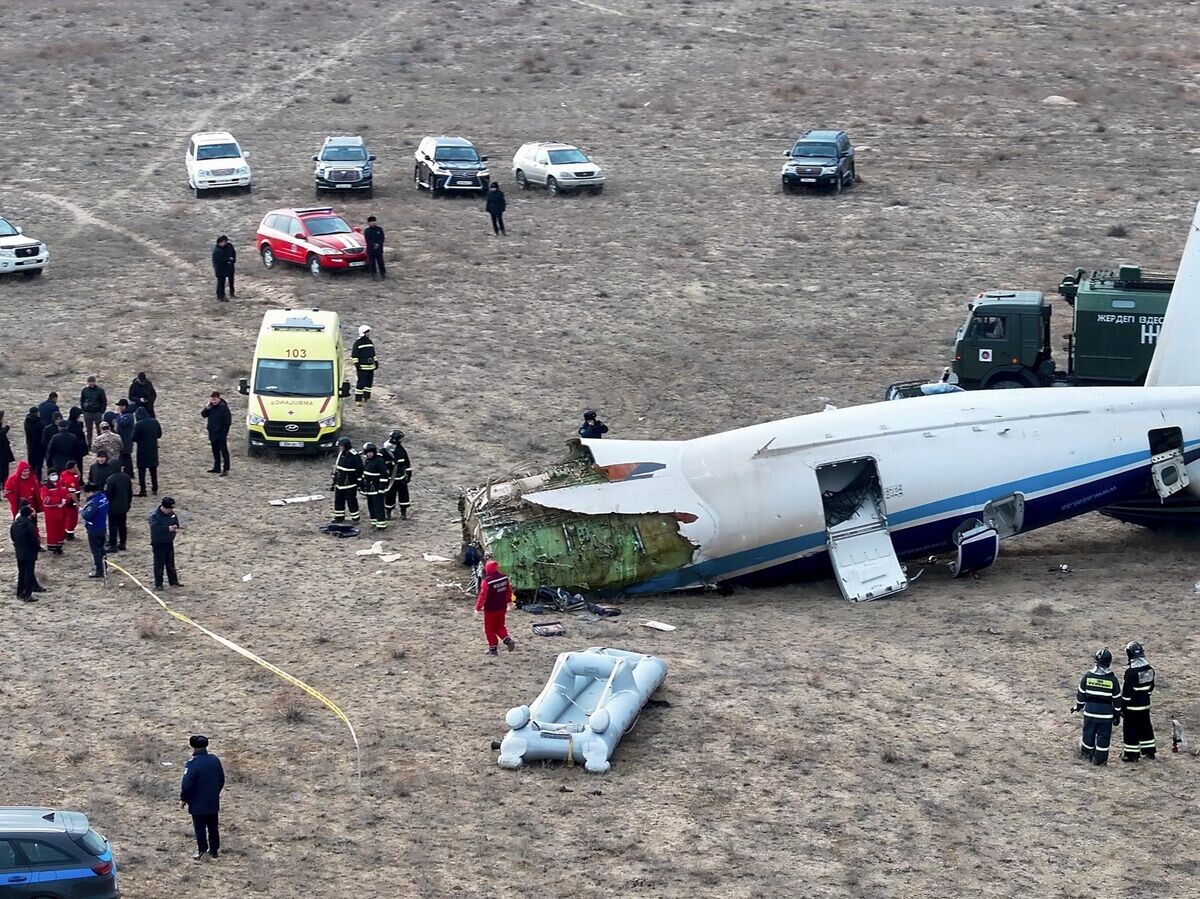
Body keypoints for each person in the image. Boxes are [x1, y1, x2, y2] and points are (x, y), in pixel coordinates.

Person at [1074, 647, 1123, 765]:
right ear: (1109, 662)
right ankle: (1100, 761)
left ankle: (1086, 756)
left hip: (1090, 712)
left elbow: (1081, 695)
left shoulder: (1088, 676)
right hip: (1106, 715)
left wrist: (1078, 707)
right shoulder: (1113, 680)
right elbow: (1117, 700)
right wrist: (1117, 715)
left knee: (1088, 735)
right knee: (1103, 738)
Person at [180, 734, 225, 861]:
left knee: (200, 828)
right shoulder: (214, 760)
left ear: (193, 747)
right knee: (213, 826)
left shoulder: (192, 764)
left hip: (197, 802)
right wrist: (215, 792)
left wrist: (184, 798)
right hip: (212, 800)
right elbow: (221, 779)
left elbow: (187, 784)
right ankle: (214, 850)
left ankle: (202, 851)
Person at [1121, 641, 1157, 762]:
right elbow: (1151, 687)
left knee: (1130, 730)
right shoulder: (1150, 669)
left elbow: (1127, 693)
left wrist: (1122, 707)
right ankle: (1149, 751)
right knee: (1146, 727)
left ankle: (1131, 755)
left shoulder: (1131, 673)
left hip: (1132, 708)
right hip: (1145, 705)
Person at [475, 559, 516, 655]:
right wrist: (509, 602)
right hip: (502, 607)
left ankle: (493, 648)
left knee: (489, 628)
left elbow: (482, 595)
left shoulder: (487, 581)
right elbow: (508, 591)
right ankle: (507, 640)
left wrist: (478, 607)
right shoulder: (504, 578)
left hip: (490, 609)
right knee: (500, 626)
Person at [149, 496, 182, 588]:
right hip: (159, 543)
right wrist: (167, 528)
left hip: (169, 541)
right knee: (159, 564)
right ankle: (159, 584)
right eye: (168, 509)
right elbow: (155, 528)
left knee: (170, 562)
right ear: (163, 507)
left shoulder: (172, 513)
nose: (170, 511)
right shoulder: (155, 516)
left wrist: (175, 526)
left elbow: (175, 521)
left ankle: (173, 581)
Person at [11, 502, 41, 602]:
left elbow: (13, 537)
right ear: (28, 515)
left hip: (19, 552)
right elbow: (34, 540)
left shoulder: (15, 524)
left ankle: (20, 593)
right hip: (29, 553)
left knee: (21, 572)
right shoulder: (29, 526)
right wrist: (36, 549)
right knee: (29, 573)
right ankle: (28, 595)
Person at [80, 482, 109, 579]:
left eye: (86, 493)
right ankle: (105, 567)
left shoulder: (93, 503)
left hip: (94, 529)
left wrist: (83, 510)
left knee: (96, 551)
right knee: (102, 549)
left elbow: (86, 515)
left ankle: (99, 571)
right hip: (102, 527)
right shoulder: (103, 497)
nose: (85, 495)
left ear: (90, 492)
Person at [382, 429, 412, 520]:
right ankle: (388, 513)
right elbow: (381, 464)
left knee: (404, 495)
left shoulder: (401, 450)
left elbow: (406, 463)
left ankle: (403, 513)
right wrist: (390, 464)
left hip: (401, 477)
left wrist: (408, 474)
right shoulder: (384, 450)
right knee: (389, 496)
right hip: (390, 478)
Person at [330, 436, 362, 523]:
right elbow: (337, 466)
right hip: (340, 482)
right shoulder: (341, 453)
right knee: (338, 501)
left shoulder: (354, 456)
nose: (340, 448)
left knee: (351, 501)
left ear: (346, 446)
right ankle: (339, 518)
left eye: (341, 446)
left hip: (350, 483)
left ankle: (355, 518)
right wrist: (334, 478)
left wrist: (359, 483)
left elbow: (360, 470)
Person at [132, 407, 163, 496]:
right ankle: (154, 488)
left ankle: (143, 490)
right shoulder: (154, 422)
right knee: (153, 471)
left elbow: (133, 438)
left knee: (142, 471)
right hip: (153, 450)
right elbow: (159, 434)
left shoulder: (139, 424)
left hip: (142, 451)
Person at [200, 392, 231, 475]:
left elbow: (227, 422)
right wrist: (206, 408)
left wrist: (224, 433)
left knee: (223, 451)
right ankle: (216, 467)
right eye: (212, 399)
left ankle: (226, 469)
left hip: (221, 434)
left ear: (219, 398)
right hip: (212, 433)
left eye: (215, 399)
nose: (213, 401)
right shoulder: (211, 407)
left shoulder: (224, 408)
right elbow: (203, 415)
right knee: (215, 451)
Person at [40, 472, 71, 555]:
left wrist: (65, 500)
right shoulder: (45, 487)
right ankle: (53, 547)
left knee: (61, 529)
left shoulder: (61, 484)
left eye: (55, 474)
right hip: (51, 513)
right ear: (48, 476)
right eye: (52, 475)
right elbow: (46, 500)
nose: (54, 476)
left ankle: (59, 547)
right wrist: (59, 501)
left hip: (61, 511)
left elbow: (67, 494)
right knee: (52, 530)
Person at [360, 442, 388, 530]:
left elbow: (384, 475)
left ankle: (381, 524)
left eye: (371, 452)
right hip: (369, 488)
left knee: (378, 506)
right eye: (367, 452)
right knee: (371, 506)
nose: (369, 454)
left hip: (377, 488)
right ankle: (374, 522)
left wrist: (381, 487)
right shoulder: (368, 460)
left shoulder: (379, 461)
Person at [104, 466, 132, 552]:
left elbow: (108, 494)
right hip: (123, 506)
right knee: (122, 525)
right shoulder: (126, 477)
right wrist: (128, 503)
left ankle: (113, 545)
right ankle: (123, 543)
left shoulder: (110, 479)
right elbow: (129, 492)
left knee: (112, 526)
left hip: (113, 507)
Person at [351, 325, 377, 404]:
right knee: (361, 383)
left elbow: (373, 353)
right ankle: (358, 399)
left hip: (370, 367)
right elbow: (354, 355)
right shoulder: (357, 343)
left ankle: (366, 397)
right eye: (367, 332)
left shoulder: (370, 342)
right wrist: (357, 364)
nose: (368, 334)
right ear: (363, 333)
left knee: (369, 383)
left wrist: (375, 361)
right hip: (362, 368)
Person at [80, 376, 108, 447]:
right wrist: (83, 410)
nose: (91, 383)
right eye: (90, 382)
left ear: (95, 382)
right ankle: (89, 445)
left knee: (99, 430)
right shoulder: (85, 390)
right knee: (89, 430)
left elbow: (104, 401)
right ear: (88, 382)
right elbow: (82, 400)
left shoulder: (100, 390)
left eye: (92, 382)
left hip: (97, 413)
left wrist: (101, 411)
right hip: (87, 413)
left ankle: (100, 444)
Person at [59, 461, 81, 540]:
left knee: (66, 516)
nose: (77, 468)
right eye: (75, 467)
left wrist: (79, 475)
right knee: (72, 517)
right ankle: (70, 535)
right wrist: (77, 503)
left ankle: (65, 532)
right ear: (71, 468)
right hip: (71, 500)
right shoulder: (70, 479)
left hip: (65, 498)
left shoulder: (64, 474)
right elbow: (72, 493)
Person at [212, 235, 237, 301]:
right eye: (224, 242)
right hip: (220, 269)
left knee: (231, 280)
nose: (225, 243)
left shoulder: (229, 246)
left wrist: (232, 260)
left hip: (229, 267)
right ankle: (220, 296)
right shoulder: (217, 251)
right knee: (221, 283)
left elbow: (233, 253)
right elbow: (220, 260)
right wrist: (228, 260)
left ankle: (231, 293)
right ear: (219, 242)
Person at [115, 399, 136, 477]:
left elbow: (121, 423)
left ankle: (128, 473)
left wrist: (117, 415)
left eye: (120, 406)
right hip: (123, 440)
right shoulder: (125, 415)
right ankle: (128, 472)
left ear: (124, 406)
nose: (119, 408)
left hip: (126, 440)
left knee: (126, 457)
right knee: (125, 457)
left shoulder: (128, 416)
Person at [24, 407, 44, 479]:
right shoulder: (40, 422)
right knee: (38, 465)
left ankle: (30, 479)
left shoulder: (27, 422)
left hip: (30, 445)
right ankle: (37, 480)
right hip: (39, 446)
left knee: (31, 463)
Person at [66, 406, 87, 472]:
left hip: (79, 449)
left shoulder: (77, 423)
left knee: (80, 466)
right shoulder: (70, 424)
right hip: (74, 449)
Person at [0, 411, 13, 484]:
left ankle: (5, 483)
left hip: (3, 452)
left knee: (5, 470)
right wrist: (7, 426)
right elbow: (1, 434)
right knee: (3, 470)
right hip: (2, 453)